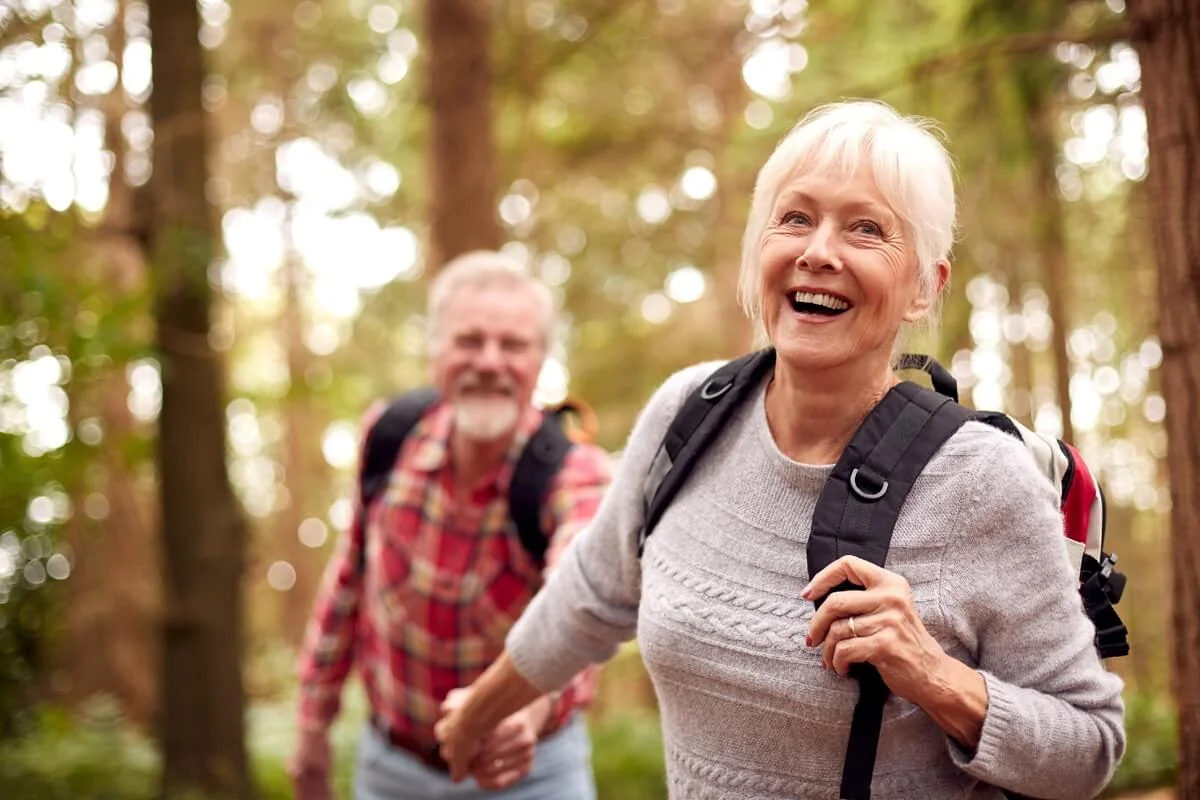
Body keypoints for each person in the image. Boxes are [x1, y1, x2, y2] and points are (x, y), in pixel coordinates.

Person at [434, 101, 1127, 799]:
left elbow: (1089, 747)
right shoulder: (689, 413)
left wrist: (934, 676)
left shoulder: (982, 479)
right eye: (795, 218)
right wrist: (478, 713)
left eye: (866, 229)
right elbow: (592, 593)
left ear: (924, 286)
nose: (818, 251)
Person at [289, 250, 611, 800]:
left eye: (512, 345)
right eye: (469, 341)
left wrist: (525, 713)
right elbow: (348, 582)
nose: (489, 362)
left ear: (539, 362)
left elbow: (579, 607)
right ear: (436, 352)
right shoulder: (389, 437)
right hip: (390, 770)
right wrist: (312, 725)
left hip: (530, 774)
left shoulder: (574, 474)